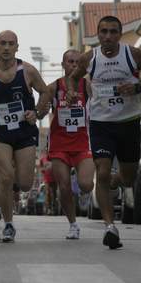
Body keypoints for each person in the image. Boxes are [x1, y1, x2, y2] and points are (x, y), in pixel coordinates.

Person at [66, 16, 141, 249]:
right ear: (98, 35)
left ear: (119, 34)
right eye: (103, 32)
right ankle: (110, 227)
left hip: (128, 121)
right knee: (103, 169)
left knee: (128, 178)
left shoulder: (132, 55)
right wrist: (71, 93)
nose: (108, 37)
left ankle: (115, 181)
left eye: (112, 32)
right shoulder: (90, 58)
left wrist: (137, 87)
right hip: (101, 123)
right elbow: (73, 78)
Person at [0, 30, 50, 243]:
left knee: (24, 183)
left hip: (24, 131)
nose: (6, 48)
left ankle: (8, 198)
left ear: (17, 47)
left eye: (10, 44)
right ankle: (8, 224)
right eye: (2, 43)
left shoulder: (28, 71)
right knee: (5, 177)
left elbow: (45, 92)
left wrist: (38, 112)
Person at [47, 49, 94, 239]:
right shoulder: (54, 87)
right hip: (59, 143)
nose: (74, 65)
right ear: (63, 64)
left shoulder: (87, 86)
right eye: (70, 61)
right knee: (64, 186)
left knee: (86, 184)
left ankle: (84, 194)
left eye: (77, 62)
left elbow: (100, 107)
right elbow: (41, 109)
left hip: (83, 141)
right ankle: (73, 224)